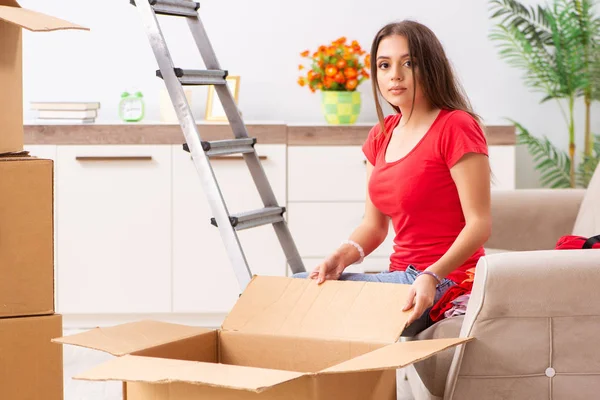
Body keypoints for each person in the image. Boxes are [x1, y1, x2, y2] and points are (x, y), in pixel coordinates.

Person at [293, 20, 492, 336]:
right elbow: (374, 225)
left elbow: (479, 223)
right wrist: (340, 257)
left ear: (430, 67)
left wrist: (432, 275)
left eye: (408, 63)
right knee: (298, 289)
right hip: (402, 277)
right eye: (384, 65)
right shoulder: (381, 134)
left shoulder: (456, 126)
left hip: (446, 282)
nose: (394, 75)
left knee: (297, 295)